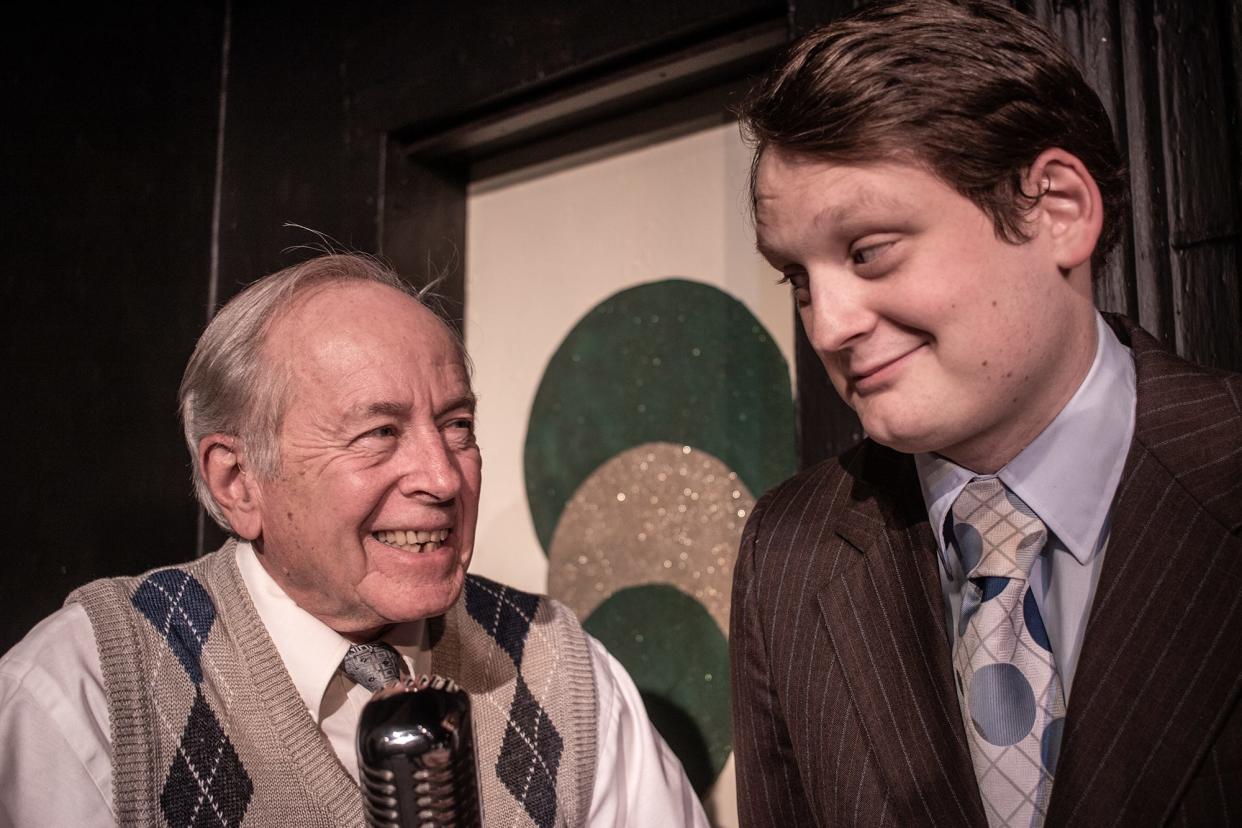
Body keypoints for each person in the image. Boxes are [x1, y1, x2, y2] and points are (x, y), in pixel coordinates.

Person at [729, 1, 1242, 826]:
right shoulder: (789, 552)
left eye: (869, 251)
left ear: (1057, 211)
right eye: (798, 278)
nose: (828, 325)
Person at [0, 253, 708, 827]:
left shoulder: (563, 669)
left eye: (457, 424)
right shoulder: (90, 686)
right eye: (378, 433)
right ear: (237, 481)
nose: (442, 475)